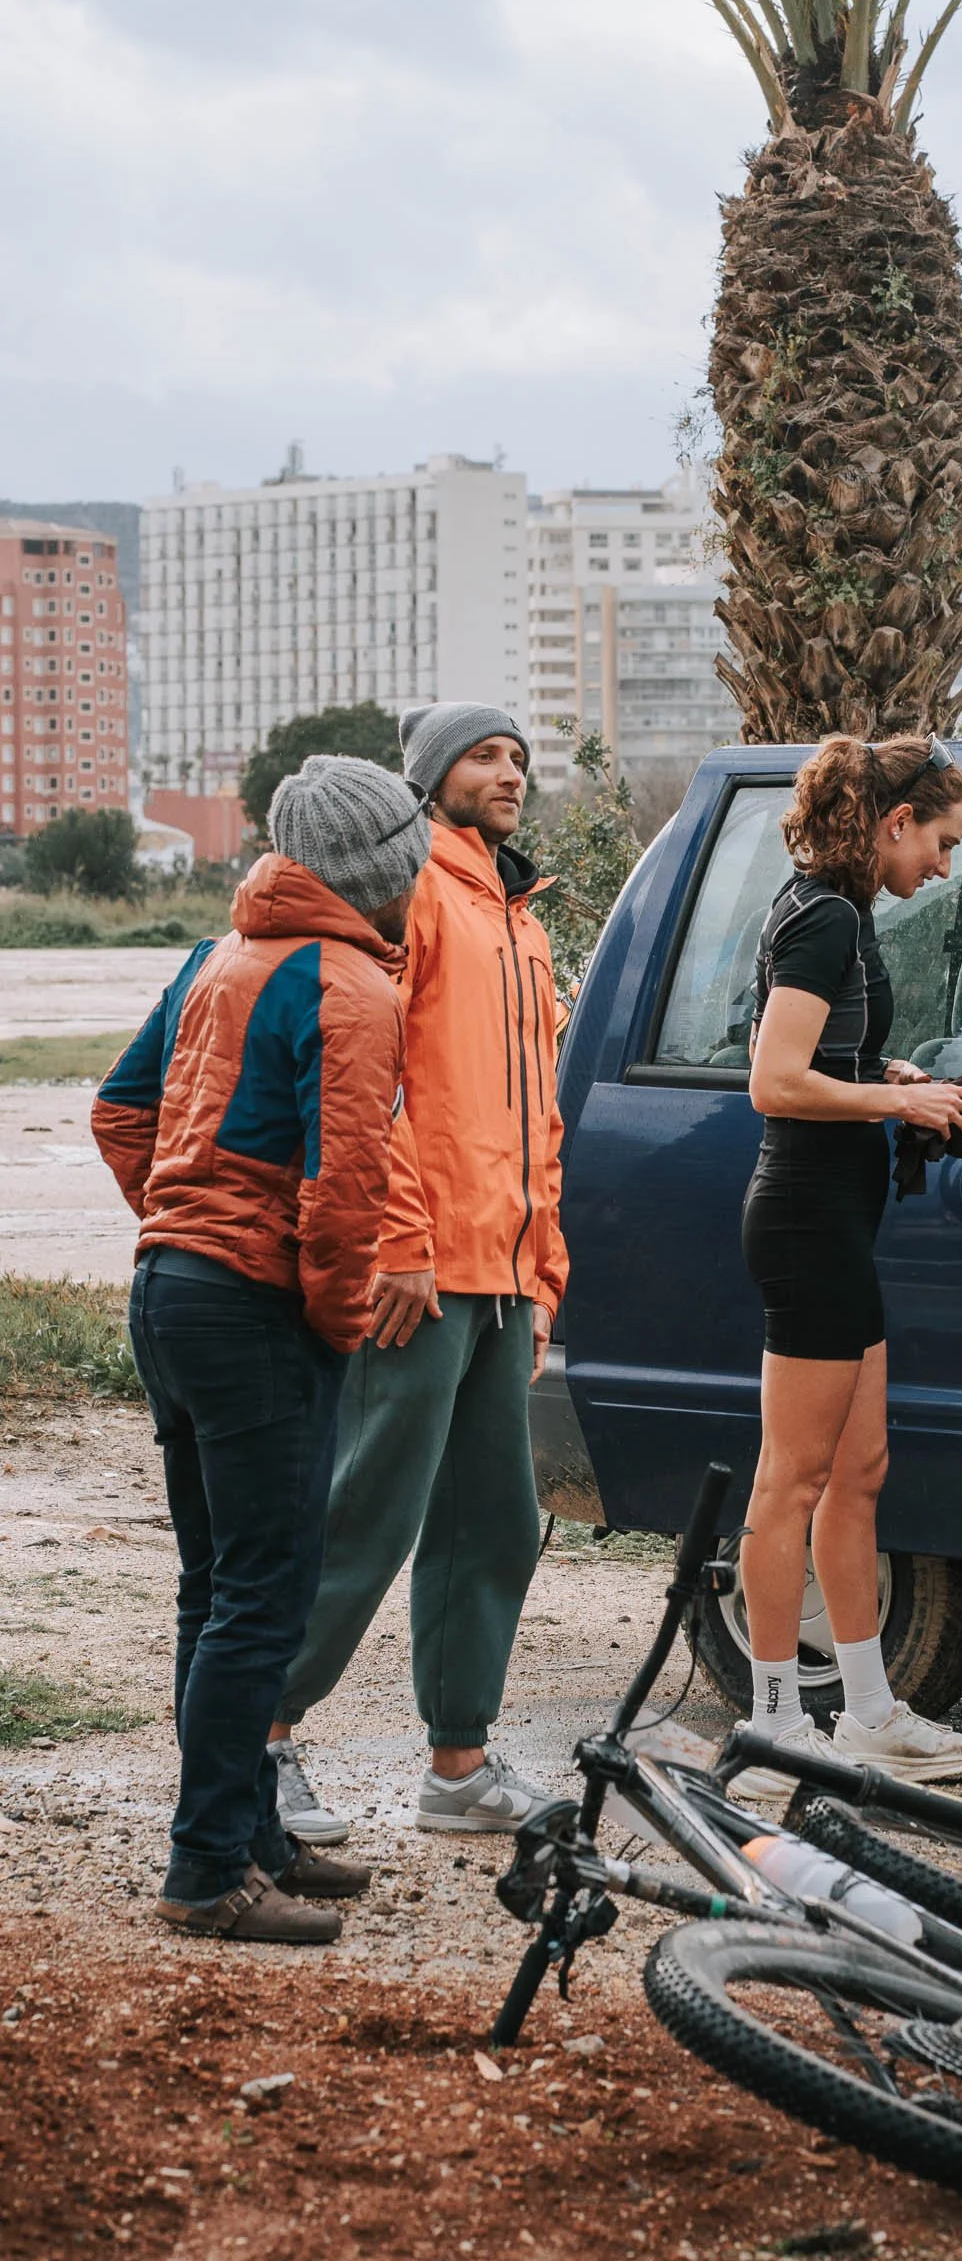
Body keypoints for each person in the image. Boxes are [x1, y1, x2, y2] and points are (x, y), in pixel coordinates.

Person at [92, 756, 429, 1943]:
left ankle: (249, 1836)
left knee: (217, 1586)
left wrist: (184, 1227)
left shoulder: (213, 957)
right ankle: (204, 1874)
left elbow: (119, 1111)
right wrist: (332, 1320)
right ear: (383, 868)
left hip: (170, 1297)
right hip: (252, 1313)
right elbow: (346, 1195)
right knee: (265, 1599)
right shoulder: (352, 987)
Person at [266, 705, 568, 1841]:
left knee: (493, 1519)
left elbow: (535, 1112)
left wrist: (542, 1262)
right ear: (429, 778)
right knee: (364, 1517)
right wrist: (397, 1237)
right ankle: (263, 1737)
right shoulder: (414, 892)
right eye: (485, 756)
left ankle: (459, 1767)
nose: (510, 773)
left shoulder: (518, 916)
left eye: (519, 758)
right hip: (420, 1270)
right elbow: (363, 1085)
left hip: (499, 1272)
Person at [728, 733, 962, 1802]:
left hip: (837, 1213)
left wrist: (879, 1071)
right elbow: (771, 1079)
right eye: (939, 841)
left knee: (859, 1469)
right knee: (788, 1478)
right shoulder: (824, 915)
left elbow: (816, 1061)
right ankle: (773, 1725)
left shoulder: (833, 912)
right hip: (803, 1217)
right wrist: (899, 1101)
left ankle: (870, 1709)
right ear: (893, 823)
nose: (942, 864)